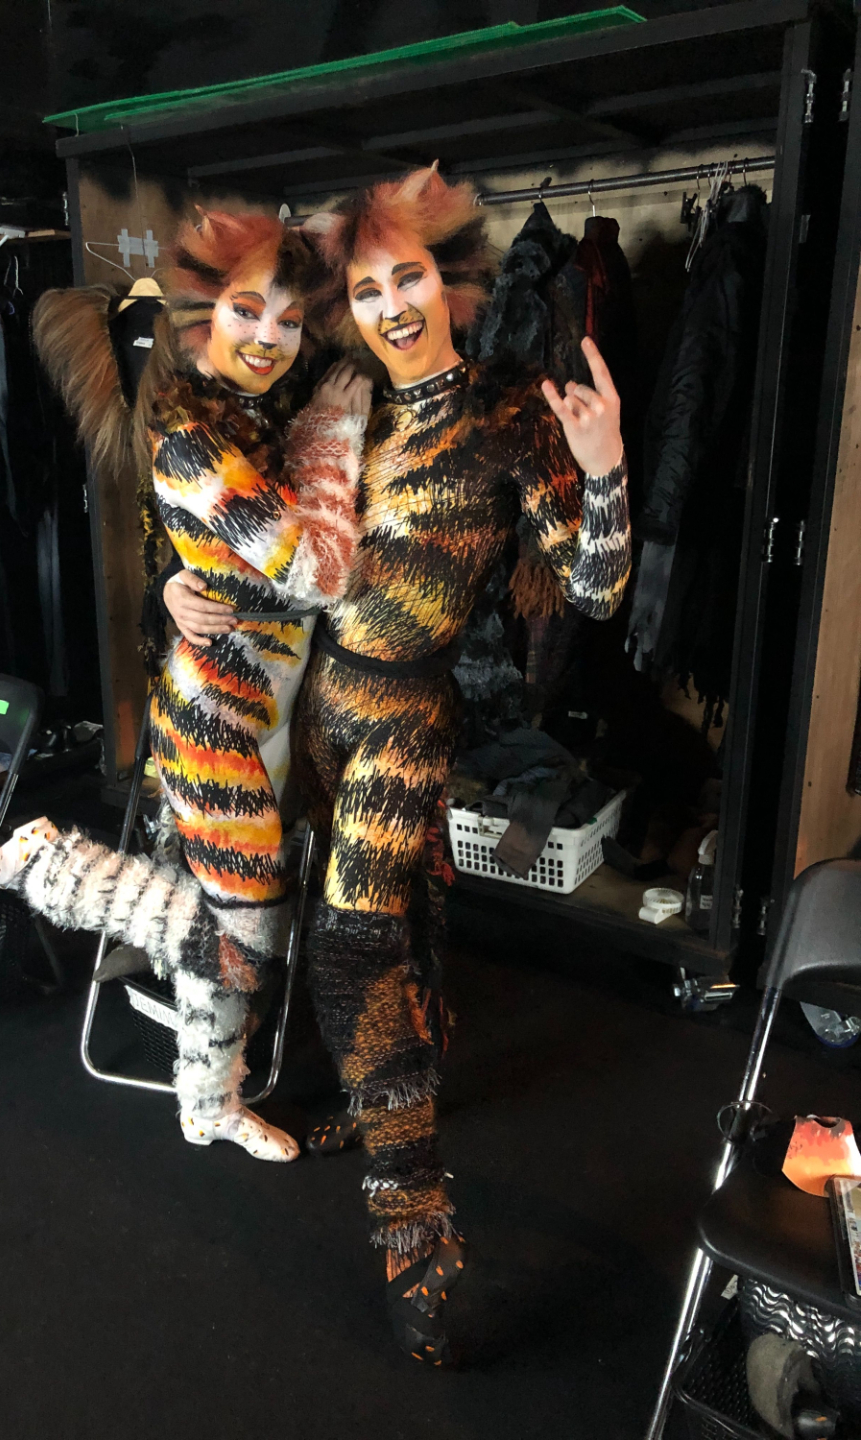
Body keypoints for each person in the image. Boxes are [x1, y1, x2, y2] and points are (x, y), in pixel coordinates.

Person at [0, 208, 370, 1163]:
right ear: (201, 310)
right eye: (247, 310)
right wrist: (336, 432)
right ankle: (40, 865)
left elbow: (227, 548)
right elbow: (321, 570)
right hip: (219, 716)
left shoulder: (248, 411)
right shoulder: (192, 432)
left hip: (261, 706)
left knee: (227, 921)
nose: (269, 337)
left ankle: (206, 1103)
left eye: (290, 319)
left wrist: (182, 577)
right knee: (248, 931)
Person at [282, 165, 632, 1364]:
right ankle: (399, 1082)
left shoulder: (507, 415)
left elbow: (594, 591)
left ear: (453, 279)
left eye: (410, 277)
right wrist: (185, 590)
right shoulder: (339, 408)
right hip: (320, 712)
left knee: (349, 944)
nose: (391, 306)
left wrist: (605, 466)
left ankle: (414, 1218)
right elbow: (277, 562)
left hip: (403, 715)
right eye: (367, 288)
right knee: (411, 914)